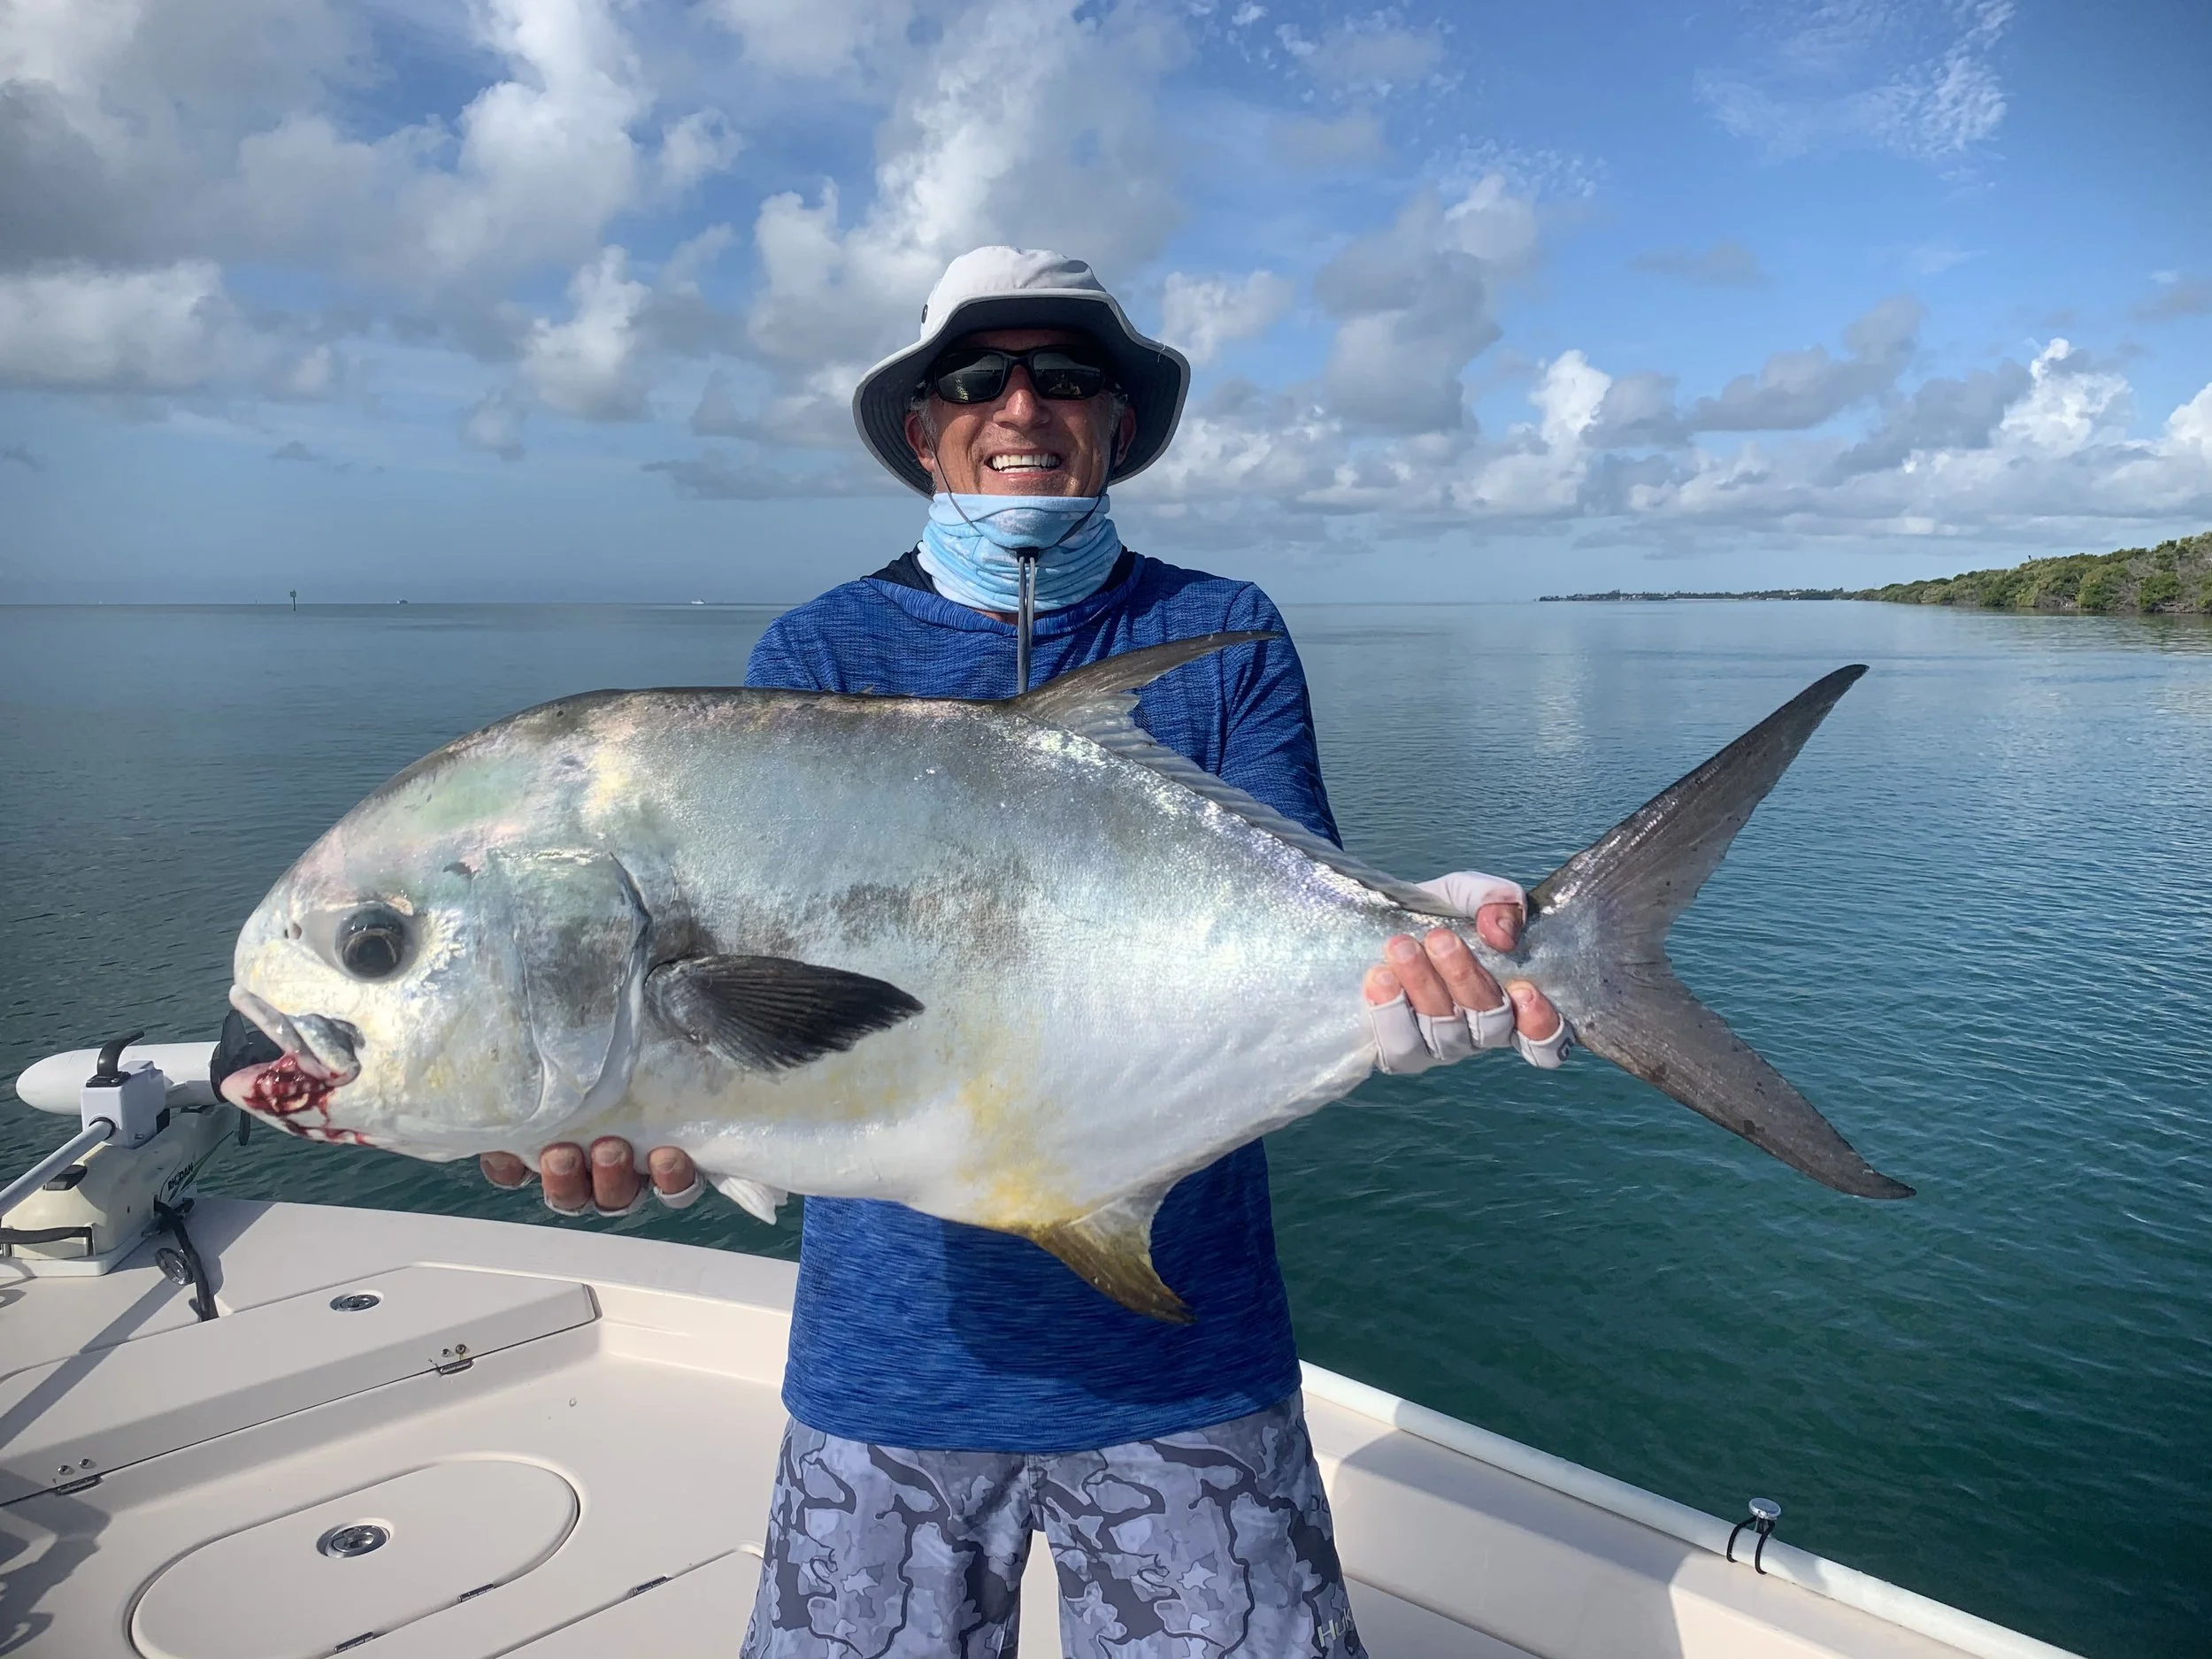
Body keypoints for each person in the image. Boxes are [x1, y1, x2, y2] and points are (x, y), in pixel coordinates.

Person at [478, 248, 1566, 1657]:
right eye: (975, 376)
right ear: (923, 427)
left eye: (1066, 374)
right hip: (890, 1370)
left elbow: (1308, 921)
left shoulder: (1223, 633)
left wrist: (1421, 943)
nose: (1021, 402)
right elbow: (760, 1015)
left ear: (1116, 422)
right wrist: (627, 1095)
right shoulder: (819, 649)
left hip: (1188, 1353)